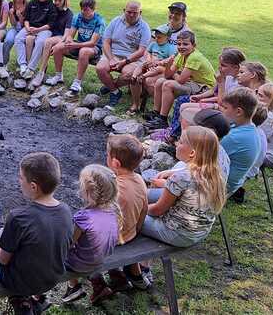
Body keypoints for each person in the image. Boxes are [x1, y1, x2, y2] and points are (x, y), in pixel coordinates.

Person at [0, 152, 73, 315]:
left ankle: (21, 301)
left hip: (20, 282)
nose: (19, 181)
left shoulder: (18, 217)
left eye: (21, 178)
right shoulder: (66, 210)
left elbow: (3, 260)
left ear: (33, 186)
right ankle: (36, 300)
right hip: (53, 278)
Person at [141, 126, 226, 247]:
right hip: (199, 231)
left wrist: (138, 208)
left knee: (127, 216)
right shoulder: (215, 174)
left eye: (180, 142)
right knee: (145, 194)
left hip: (176, 233)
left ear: (192, 153)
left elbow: (157, 210)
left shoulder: (181, 178)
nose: (176, 143)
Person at [62, 165, 120, 305]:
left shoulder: (83, 217)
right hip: (101, 259)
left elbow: (69, 243)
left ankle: (74, 286)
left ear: (87, 191)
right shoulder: (113, 211)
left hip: (81, 264)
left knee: (57, 251)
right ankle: (94, 284)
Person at [99, 135, 149, 292]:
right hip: (131, 234)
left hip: (113, 241)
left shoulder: (112, 189)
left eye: (107, 155)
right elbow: (145, 209)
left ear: (115, 163)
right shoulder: (140, 179)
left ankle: (97, 284)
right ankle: (124, 275)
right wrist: (136, 230)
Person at [144, 30, 216, 130]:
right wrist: (169, 64)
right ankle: (156, 113)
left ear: (194, 45)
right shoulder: (181, 55)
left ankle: (162, 119)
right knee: (160, 81)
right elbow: (167, 74)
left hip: (204, 87)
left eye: (185, 44)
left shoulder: (195, 57)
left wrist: (173, 73)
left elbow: (180, 80)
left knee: (168, 85)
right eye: (179, 44)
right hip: (193, 83)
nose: (181, 47)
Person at [174, 47, 246, 136]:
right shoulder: (228, 76)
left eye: (223, 65)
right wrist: (200, 97)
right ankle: (175, 134)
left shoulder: (238, 83)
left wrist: (220, 83)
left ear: (235, 67)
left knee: (186, 111)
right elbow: (213, 91)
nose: (219, 68)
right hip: (219, 106)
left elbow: (222, 102)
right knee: (182, 104)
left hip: (224, 111)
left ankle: (184, 139)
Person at [96, 0, 152, 107]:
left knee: (128, 74)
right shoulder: (115, 21)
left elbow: (141, 51)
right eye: (129, 12)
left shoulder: (144, 27)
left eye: (135, 13)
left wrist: (125, 61)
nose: (131, 15)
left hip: (133, 58)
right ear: (124, 10)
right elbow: (106, 42)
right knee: (100, 68)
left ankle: (111, 86)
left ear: (140, 12)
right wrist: (111, 58)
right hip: (113, 54)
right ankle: (115, 92)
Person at [48, 0, 106, 93]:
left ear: (93, 9)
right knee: (58, 47)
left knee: (84, 51)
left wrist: (74, 45)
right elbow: (71, 35)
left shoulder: (100, 21)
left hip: (94, 48)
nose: (83, 11)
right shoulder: (78, 17)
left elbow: (93, 43)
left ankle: (77, 82)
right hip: (79, 44)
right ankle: (58, 76)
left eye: (86, 9)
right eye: (82, 9)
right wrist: (69, 41)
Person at [219, 87, 261, 200]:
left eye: (225, 108)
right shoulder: (248, 127)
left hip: (222, 186)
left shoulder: (234, 137)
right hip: (232, 181)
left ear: (238, 111)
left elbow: (205, 158)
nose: (221, 110)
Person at [28, 0, 73, 88]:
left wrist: (59, 43)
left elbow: (67, 33)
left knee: (48, 42)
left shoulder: (69, 13)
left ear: (65, 0)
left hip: (61, 36)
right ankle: (28, 69)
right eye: (55, 0)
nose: (56, 3)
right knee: (32, 39)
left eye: (59, 0)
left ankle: (41, 73)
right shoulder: (53, 8)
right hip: (49, 33)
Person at [128, 25, 177, 113]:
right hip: (150, 63)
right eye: (156, 36)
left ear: (168, 37)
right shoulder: (153, 44)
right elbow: (147, 52)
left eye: (160, 37)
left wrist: (160, 62)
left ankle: (143, 76)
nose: (157, 38)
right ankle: (134, 77)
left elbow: (171, 59)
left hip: (161, 67)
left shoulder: (170, 47)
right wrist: (149, 59)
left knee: (157, 69)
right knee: (141, 65)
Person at [14, 0, 55, 79]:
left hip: (44, 29)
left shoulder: (51, 6)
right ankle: (23, 65)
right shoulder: (32, 3)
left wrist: (37, 30)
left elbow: (50, 24)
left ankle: (31, 68)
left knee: (40, 42)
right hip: (30, 27)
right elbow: (26, 19)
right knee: (18, 38)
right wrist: (27, 27)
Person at [0, 0, 28, 76]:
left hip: (25, 29)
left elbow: (26, 24)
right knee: (8, 40)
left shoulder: (28, 4)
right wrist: (11, 15)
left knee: (23, 41)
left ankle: (22, 64)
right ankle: (4, 63)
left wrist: (20, 16)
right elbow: (13, 24)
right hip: (15, 28)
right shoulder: (10, 4)